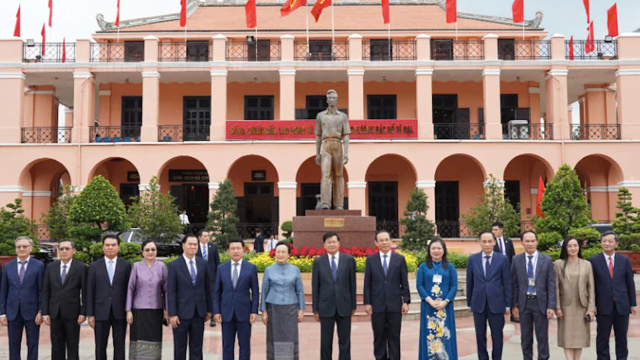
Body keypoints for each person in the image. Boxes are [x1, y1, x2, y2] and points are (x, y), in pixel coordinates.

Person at [363, 230, 411, 360]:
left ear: (391, 241)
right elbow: (367, 283)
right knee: (379, 336)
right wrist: (367, 302)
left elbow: (404, 282)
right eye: (381, 240)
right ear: (376, 243)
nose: (384, 243)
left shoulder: (399, 259)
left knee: (394, 336)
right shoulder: (371, 260)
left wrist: (406, 301)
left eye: (386, 240)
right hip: (377, 305)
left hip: (395, 305)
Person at [589, 231, 637, 360]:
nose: (607, 243)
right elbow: (591, 285)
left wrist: (633, 304)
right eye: (604, 241)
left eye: (610, 241)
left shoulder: (624, 260)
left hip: (622, 305)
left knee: (622, 338)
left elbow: (629, 282)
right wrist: (592, 305)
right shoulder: (593, 261)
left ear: (616, 243)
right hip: (603, 306)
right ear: (601, 243)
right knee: (602, 339)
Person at [466, 231, 511, 360]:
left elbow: (507, 283)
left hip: (497, 304)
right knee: (480, 336)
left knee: (497, 336)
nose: (487, 244)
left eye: (489, 241)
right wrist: (469, 302)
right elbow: (470, 282)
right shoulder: (473, 259)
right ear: (480, 242)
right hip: (478, 303)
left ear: (494, 242)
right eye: (484, 241)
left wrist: (508, 305)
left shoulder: (502, 259)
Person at [511, 231, 556, 360]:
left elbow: (551, 285)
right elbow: (513, 284)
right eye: (527, 241)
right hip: (524, 304)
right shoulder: (516, 260)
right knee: (525, 337)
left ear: (536, 242)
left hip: (540, 303)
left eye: (532, 241)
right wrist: (514, 305)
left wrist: (551, 306)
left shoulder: (546, 260)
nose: (530, 244)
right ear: (522, 243)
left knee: (542, 337)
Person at [312, 232, 357, 360]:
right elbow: (315, 286)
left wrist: (353, 305)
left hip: (344, 305)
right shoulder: (318, 261)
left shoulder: (348, 260)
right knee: (325, 342)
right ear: (324, 245)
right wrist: (315, 308)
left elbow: (352, 284)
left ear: (339, 243)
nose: (331, 244)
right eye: (328, 242)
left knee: (345, 341)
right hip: (325, 306)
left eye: (334, 242)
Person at [87, 234, 132, 360]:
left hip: (120, 311)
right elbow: (90, 291)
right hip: (100, 312)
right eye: (107, 245)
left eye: (113, 245)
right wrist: (90, 314)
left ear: (118, 247)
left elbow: (130, 290)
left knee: (120, 345)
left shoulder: (126, 265)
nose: (110, 247)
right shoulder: (94, 266)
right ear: (103, 248)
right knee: (100, 345)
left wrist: (129, 310)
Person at [168, 234, 212, 360]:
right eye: (190, 244)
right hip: (181, 314)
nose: (193, 247)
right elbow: (171, 291)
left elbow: (207, 287)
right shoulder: (174, 265)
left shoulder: (203, 264)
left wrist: (209, 309)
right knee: (180, 348)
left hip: (199, 313)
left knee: (197, 347)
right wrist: (172, 314)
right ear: (183, 246)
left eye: (195, 244)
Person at [213, 238, 259, 360]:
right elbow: (216, 292)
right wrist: (216, 311)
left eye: (238, 248)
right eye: (232, 248)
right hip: (226, 312)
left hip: (244, 312)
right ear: (228, 251)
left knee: (244, 345)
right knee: (227, 346)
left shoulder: (251, 268)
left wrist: (254, 311)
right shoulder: (221, 268)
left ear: (243, 250)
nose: (236, 251)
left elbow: (255, 292)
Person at [41, 240, 88, 360]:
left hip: (73, 313)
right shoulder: (51, 267)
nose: (64, 251)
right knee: (56, 346)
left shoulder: (81, 267)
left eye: (67, 249)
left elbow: (86, 292)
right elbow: (46, 291)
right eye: (61, 249)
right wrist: (45, 312)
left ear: (74, 251)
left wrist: (83, 312)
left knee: (72, 345)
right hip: (55, 313)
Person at [0, 236, 44, 360]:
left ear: (30, 248)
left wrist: (41, 310)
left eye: (25, 246)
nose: (21, 249)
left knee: (33, 344)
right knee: (13, 344)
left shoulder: (39, 266)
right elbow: (3, 290)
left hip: (32, 312)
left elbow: (41, 290)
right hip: (12, 311)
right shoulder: (8, 267)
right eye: (18, 246)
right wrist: (2, 313)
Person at [261, 241, 306, 360]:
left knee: (290, 337)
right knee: (274, 338)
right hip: (273, 308)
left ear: (288, 255)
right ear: (275, 253)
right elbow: (264, 291)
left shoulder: (295, 270)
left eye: (283, 252)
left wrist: (301, 309)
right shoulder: (268, 270)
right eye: (278, 252)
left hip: (290, 308)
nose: (280, 254)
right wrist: (264, 311)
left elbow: (300, 291)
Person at [126, 240, 169, 359]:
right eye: (147, 250)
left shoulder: (162, 267)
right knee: (139, 341)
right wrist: (128, 311)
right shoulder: (136, 266)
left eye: (153, 250)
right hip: (139, 311)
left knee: (154, 340)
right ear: (142, 252)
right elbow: (130, 289)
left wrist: (167, 310)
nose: (150, 252)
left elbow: (166, 290)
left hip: (156, 311)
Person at [554, 237, 595, 360]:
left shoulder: (586, 264)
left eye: (575, 245)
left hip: (582, 306)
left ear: (579, 247)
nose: (573, 248)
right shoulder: (558, 264)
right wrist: (557, 307)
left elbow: (591, 288)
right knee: (567, 337)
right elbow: (555, 287)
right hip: (565, 306)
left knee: (579, 338)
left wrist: (591, 308)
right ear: (565, 248)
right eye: (570, 246)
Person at [416, 238, 458, 360]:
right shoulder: (423, 267)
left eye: (439, 248)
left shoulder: (450, 267)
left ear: (444, 250)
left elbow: (454, 286)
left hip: (445, 308)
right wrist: (430, 301)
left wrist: (445, 301)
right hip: (428, 307)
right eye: (433, 248)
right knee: (429, 334)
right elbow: (419, 285)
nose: (436, 251)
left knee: (446, 335)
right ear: (429, 251)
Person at [315, 89, 350, 210]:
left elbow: (346, 135)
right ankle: (325, 203)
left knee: (339, 175)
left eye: (334, 97)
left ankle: (339, 204)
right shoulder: (320, 116)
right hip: (326, 145)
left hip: (337, 144)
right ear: (326, 100)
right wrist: (317, 153)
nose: (331, 100)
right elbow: (318, 135)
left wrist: (346, 153)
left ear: (337, 99)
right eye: (329, 98)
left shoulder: (343, 116)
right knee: (325, 175)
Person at [195, 229, 220, 327]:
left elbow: (217, 262)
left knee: (213, 296)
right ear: (199, 237)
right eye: (204, 236)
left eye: (208, 236)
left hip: (212, 277)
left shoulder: (213, 247)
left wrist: (218, 275)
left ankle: (213, 318)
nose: (207, 238)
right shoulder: (195, 247)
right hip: (199, 276)